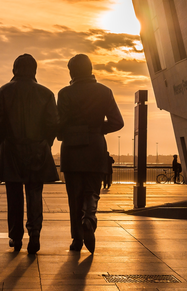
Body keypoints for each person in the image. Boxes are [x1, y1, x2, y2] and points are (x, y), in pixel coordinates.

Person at [57, 54, 124, 254]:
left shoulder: (65, 93)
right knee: (92, 192)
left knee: (74, 197)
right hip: (95, 148)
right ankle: (89, 219)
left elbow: (59, 124)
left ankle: (77, 239)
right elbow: (117, 122)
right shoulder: (104, 92)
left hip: (71, 149)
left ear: (72, 72)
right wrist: (96, 129)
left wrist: (67, 133)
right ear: (90, 69)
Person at [0, 54, 59, 254]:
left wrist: (2, 141)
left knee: (14, 196)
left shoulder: (4, 92)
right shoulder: (46, 94)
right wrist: (45, 143)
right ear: (35, 70)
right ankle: (35, 234)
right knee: (34, 194)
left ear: (14, 70)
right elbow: (53, 124)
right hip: (37, 150)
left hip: (11, 149)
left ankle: (15, 236)